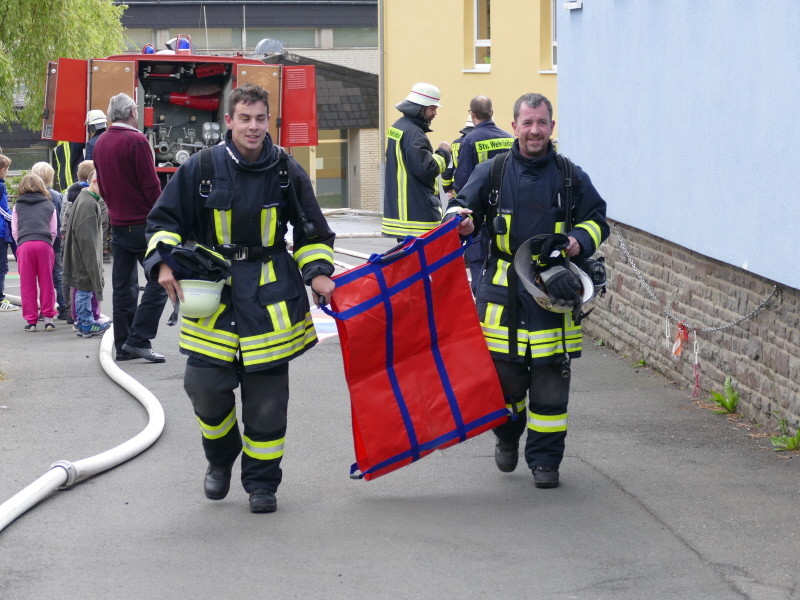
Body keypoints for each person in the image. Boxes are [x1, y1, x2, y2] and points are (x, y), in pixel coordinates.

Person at [144, 83, 336, 513]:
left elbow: (313, 233)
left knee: (268, 404)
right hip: (213, 294)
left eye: (260, 119)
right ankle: (220, 456)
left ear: (270, 121)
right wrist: (162, 263)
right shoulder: (201, 167)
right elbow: (164, 221)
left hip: (270, 298)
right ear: (228, 121)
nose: (253, 127)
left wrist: (319, 275)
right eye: (244, 118)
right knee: (204, 388)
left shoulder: (286, 170)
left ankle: (262, 484)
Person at [446, 93, 609, 489]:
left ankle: (545, 462)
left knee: (551, 386)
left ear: (552, 127)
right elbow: (458, 207)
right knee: (506, 385)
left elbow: (597, 220)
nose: (534, 130)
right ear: (515, 126)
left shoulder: (570, 175)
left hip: (554, 292)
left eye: (541, 123)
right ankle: (506, 434)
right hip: (502, 294)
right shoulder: (494, 171)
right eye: (527, 123)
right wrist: (463, 223)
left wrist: (575, 243)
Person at [93, 93, 168, 362]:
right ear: (132, 113)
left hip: (118, 223)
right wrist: (165, 215)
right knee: (161, 280)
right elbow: (150, 185)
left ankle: (123, 345)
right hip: (143, 224)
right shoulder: (136, 140)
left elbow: (102, 182)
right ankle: (139, 339)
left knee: (123, 286)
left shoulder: (101, 142)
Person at [454, 96, 515, 293]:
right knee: (503, 260)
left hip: (479, 213)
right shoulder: (509, 138)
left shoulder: (470, 140)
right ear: (492, 112)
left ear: (472, 115)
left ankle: (482, 306)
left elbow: (462, 181)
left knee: (479, 263)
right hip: (508, 211)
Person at [381, 82, 452, 239]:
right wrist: (444, 153)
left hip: (401, 216)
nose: (435, 113)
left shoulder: (398, 127)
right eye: (432, 108)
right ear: (420, 108)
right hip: (417, 217)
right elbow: (426, 170)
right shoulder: (414, 133)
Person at [63, 170, 110, 338]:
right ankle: (86, 323)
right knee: (85, 287)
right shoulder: (88, 204)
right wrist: (93, 267)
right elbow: (87, 241)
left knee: (84, 288)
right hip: (83, 256)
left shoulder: (85, 198)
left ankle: (86, 321)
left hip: (79, 254)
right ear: (95, 181)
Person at [11, 174, 58, 332]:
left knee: (27, 284)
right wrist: (47, 244)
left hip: (25, 244)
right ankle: (49, 319)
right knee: (47, 282)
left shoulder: (18, 206)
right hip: (44, 244)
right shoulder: (49, 205)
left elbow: (15, 231)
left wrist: (21, 244)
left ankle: (31, 321)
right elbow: (53, 231)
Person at [31, 162, 66, 316]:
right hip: (55, 240)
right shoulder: (57, 196)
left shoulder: (30, 197)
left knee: (40, 277)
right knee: (57, 274)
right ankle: (64, 307)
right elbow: (61, 217)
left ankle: (42, 308)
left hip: (36, 238)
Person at [0, 154, 19, 312]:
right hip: (0, 232)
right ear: (2, 170)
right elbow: (3, 209)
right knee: (1, 266)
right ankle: (0, 299)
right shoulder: (0, 186)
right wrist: (15, 220)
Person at [441, 119, 474, 197]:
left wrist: (447, 187)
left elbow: (449, 167)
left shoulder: (455, 143)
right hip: (475, 186)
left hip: (457, 188)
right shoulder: (477, 141)